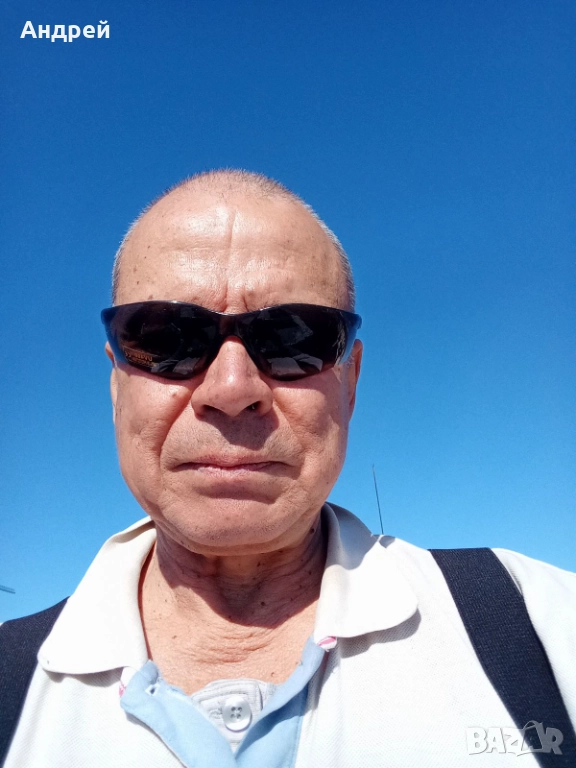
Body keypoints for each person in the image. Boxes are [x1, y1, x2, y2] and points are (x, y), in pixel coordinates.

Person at [2, 170, 575, 767]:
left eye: (294, 338)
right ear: (117, 386)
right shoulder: (9, 689)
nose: (231, 389)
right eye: (166, 338)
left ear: (351, 383)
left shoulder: (537, 630)